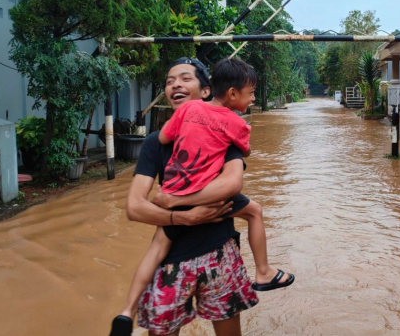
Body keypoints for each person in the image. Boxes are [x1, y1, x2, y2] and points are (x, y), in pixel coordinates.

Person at [110, 58, 292, 336]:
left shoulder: (216, 132)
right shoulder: (228, 128)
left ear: (206, 90)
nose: (175, 85)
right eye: (169, 81)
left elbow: (232, 182)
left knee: (157, 247)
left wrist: (173, 202)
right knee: (254, 210)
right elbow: (134, 208)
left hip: (215, 252)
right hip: (175, 260)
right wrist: (187, 216)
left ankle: (127, 310)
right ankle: (264, 271)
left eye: (185, 79)